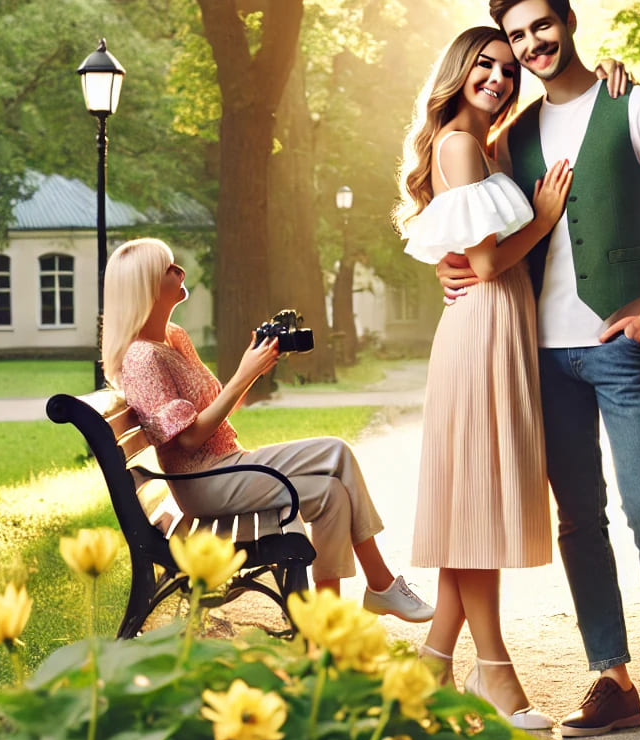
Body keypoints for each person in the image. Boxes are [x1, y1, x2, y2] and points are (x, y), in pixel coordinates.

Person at [437, 0, 640, 740]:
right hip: (541, 356)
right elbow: (469, 218)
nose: (531, 46)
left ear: (568, 21)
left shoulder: (636, 103)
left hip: (620, 348)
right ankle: (613, 680)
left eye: (540, 28)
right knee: (579, 520)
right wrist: (451, 267)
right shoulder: (513, 133)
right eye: (517, 36)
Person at [398, 26, 635, 729]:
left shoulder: (485, 144)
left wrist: (607, 72)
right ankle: (494, 674)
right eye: (485, 65)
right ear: (458, 69)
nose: (499, 78)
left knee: (472, 509)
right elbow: (488, 263)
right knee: (475, 511)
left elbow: (472, 255)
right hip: (483, 332)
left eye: (506, 69)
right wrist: (547, 215)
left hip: (499, 329)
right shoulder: (461, 144)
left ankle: (434, 667)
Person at [102, 237, 433, 620]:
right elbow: (190, 438)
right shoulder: (142, 357)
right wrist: (245, 374)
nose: (181, 271)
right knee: (337, 450)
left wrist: (251, 370)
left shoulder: (174, 338)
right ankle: (382, 585)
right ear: (146, 287)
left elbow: (217, 410)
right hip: (205, 483)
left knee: (331, 494)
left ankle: (326, 621)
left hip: (228, 467)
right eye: (169, 269)